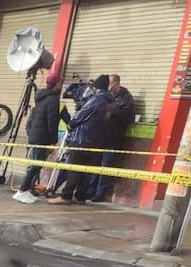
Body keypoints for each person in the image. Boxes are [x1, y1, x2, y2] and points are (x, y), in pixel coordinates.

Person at [49, 74, 113, 205]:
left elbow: (80, 116)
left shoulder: (96, 100)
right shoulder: (110, 101)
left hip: (82, 139)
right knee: (86, 171)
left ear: (97, 87)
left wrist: (70, 124)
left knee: (74, 169)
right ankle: (80, 196)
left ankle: (66, 196)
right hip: (95, 142)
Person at [13, 73, 69, 203]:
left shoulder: (40, 98)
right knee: (36, 165)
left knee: (36, 165)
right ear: (56, 84)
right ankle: (22, 190)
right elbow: (52, 122)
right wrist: (53, 140)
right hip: (42, 138)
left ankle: (27, 190)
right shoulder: (53, 100)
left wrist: (31, 133)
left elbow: (32, 119)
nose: (61, 86)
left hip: (35, 136)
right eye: (60, 83)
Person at [87, 73, 135, 202]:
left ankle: (100, 192)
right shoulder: (104, 96)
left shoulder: (126, 98)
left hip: (113, 138)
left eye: (110, 83)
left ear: (117, 83)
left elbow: (127, 114)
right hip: (100, 136)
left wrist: (111, 110)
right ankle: (90, 190)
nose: (108, 86)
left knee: (106, 165)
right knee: (95, 164)